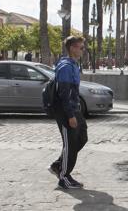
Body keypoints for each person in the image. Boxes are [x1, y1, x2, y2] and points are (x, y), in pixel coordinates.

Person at [49, 36, 88, 189]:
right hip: (66, 111)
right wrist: (70, 115)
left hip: (75, 108)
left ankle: (58, 165)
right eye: (81, 47)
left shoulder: (73, 65)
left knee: (82, 137)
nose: (83, 50)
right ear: (72, 48)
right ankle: (64, 176)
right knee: (70, 144)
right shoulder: (65, 67)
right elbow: (64, 93)